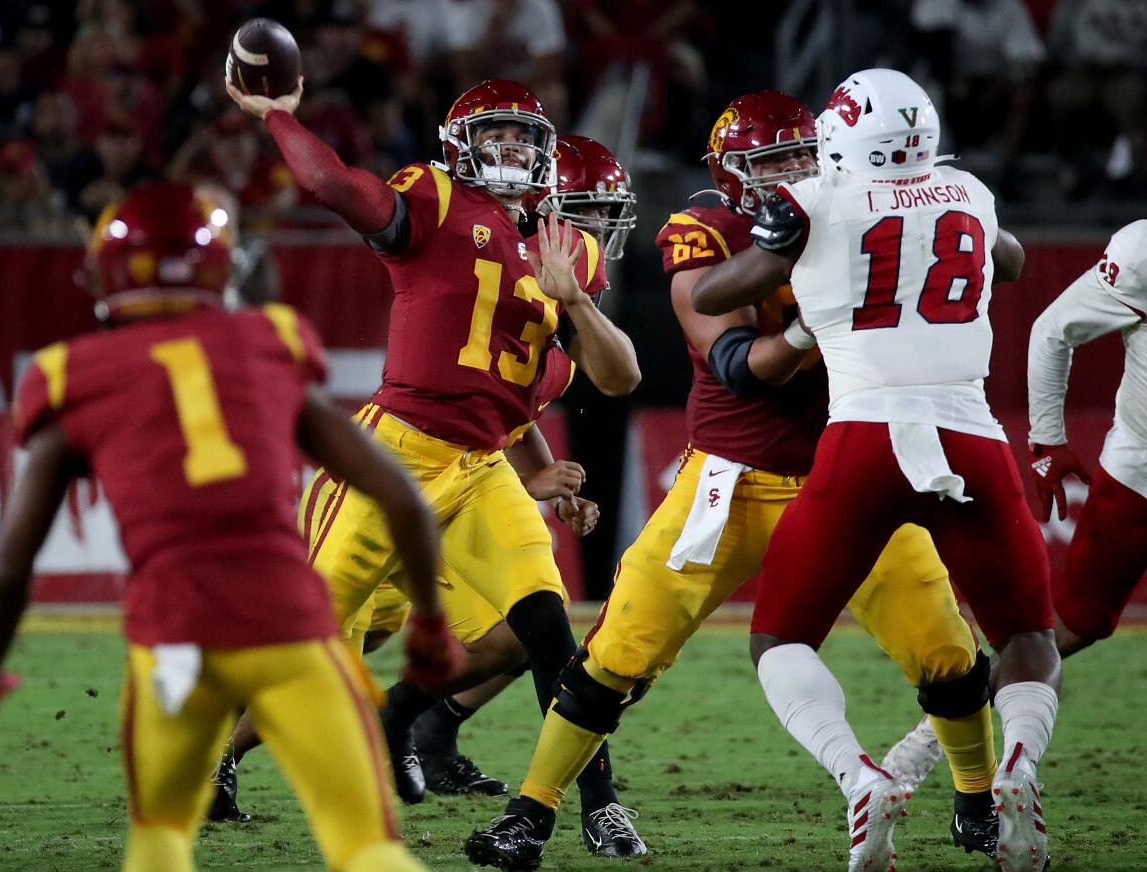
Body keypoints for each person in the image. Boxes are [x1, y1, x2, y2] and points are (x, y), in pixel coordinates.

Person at [466, 91, 1001, 871]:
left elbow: (991, 255)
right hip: (730, 482)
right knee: (614, 654)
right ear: (730, 175)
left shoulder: (858, 209)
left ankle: (979, 800)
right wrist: (815, 319)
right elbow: (739, 368)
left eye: (800, 156)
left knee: (947, 650)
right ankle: (532, 812)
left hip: (844, 477)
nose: (790, 172)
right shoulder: (703, 230)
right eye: (771, 161)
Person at [0, 182, 461, 872]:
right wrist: (428, 624)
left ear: (105, 275)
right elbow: (399, 494)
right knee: (366, 845)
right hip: (291, 633)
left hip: (173, 645)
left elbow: (10, 564)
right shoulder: (270, 339)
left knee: (160, 834)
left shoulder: (71, 373)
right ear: (224, 267)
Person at [225, 76, 647, 855]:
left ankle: (597, 803)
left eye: (525, 138)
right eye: (496, 136)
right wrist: (278, 116)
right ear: (461, 146)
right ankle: (219, 747)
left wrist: (579, 304)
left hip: (480, 469)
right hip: (393, 455)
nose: (513, 150)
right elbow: (326, 183)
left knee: (548, 629)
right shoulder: (436, 200)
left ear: (548, 155)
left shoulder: (570, 247)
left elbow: (619, 379)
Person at [690, 70, 1061, 872]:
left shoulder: (815, 197)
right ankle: (1019, 763)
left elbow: (719, 291)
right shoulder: (968, 188)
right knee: (1027, 635)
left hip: (863, 437)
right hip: (970, 433)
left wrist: (782, 240)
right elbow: (1015, 261)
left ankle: (857, 775)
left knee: (779, 636)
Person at [1028, 220, 1147, 655]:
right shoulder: (1141, 251)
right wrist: (1046, 442)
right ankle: (953, 717)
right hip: (1140, 465)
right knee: (1076, 621)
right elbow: (1053, 330)